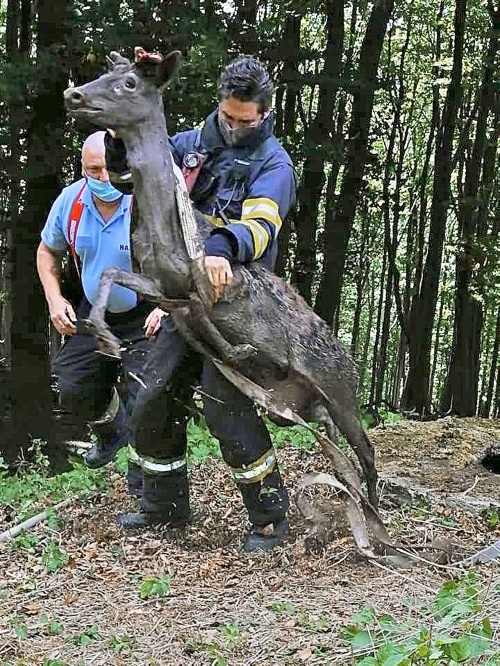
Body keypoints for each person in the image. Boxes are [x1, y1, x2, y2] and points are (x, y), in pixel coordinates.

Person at [105, 56, 297, 552]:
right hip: (185, 302)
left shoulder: (274, 163)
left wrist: (221, 249)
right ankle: (163, 506)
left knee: (223, 403)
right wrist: (118, 135)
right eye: (228, 117)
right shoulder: (189, 146)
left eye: (246, 121)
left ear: (265, 112)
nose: (234, 128)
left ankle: (271, 518)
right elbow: (134, 175)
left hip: (241, 307)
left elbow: (260, 227)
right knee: (150, 390)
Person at [37, 131, 156, 490]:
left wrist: (167, 308)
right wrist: (55, 300)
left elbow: (182, 260)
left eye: (109, 168)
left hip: (146, 311)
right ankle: (110, 432)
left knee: (145, 400)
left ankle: (145, 493)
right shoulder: (71, 201)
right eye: (94, 170)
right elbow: (46, 252)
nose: (104, 178)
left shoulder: (144, 201)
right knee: (72, 381)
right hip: (96, 311)